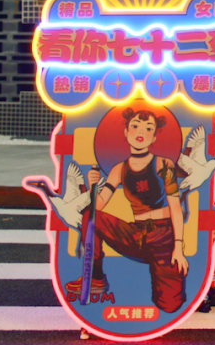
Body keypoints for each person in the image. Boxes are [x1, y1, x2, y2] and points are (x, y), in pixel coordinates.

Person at [72, 107, 188, 313]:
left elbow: (175, 208)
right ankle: (96, 276)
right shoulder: (119, 169)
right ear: (126, 132)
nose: (140, 132)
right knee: (90, 216)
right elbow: (97, 207)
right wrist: (92, 187)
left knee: (170, 305)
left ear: (154, 137)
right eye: (135, 126)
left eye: (148, 128)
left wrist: (178, 247)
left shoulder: (164, 164)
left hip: (163, 237)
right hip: (136, 234)